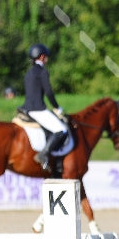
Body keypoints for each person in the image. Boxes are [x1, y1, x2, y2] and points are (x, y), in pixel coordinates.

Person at [20, 43, 68, 171]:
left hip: (27, 108)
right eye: (46, 56)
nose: (47, 58)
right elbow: (49, 92)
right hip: (38, 109)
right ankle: (43, 154)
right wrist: (57, 107)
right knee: (62, 130)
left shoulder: (29, 72)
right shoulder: (42, 71)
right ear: (41, 57)